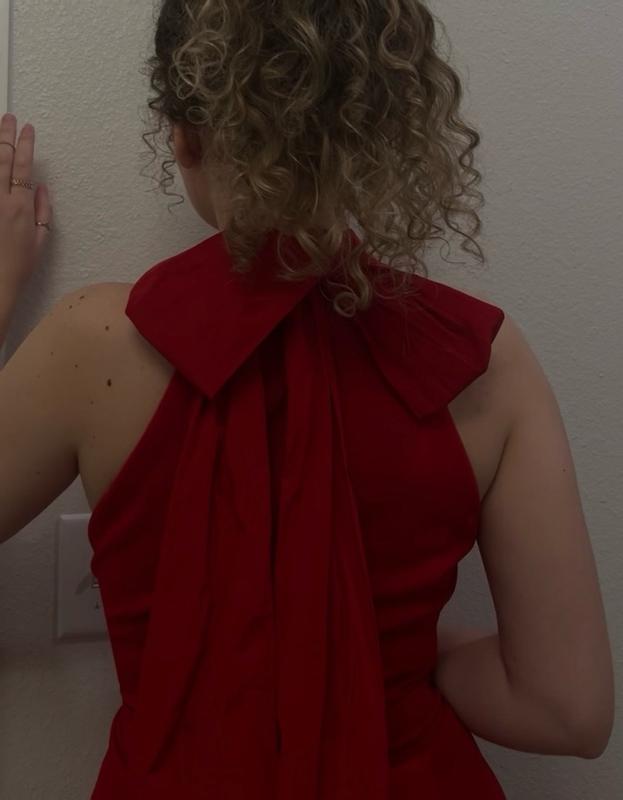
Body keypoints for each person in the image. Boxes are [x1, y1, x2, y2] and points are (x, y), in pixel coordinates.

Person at [0, 1, 614, 798]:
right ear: (377, 131)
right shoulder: (484, 363)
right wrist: (397, 658)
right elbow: (565, 712)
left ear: (183, 135)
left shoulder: (95, 345)